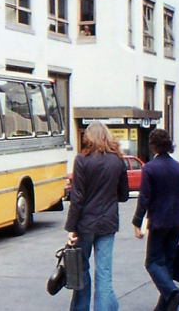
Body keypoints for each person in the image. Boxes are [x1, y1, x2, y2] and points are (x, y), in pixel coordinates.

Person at [65, 121, 129, 311]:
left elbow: (77, 198)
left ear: (88, 138)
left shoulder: (82, 160)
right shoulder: (118, 160)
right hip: (108, 223)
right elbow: (124, 195)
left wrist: (71, 228)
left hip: (85, 224)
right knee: (104, 273)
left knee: (81, 269)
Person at [132, 129, 179, 311]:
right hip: (177, 222)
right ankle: (164, 306)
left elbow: (144, 198)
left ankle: (173, 293)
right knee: (166, 264)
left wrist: (137, 222)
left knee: (152, 262)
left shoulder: (150, 168)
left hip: (158, 221)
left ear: (153, 146)